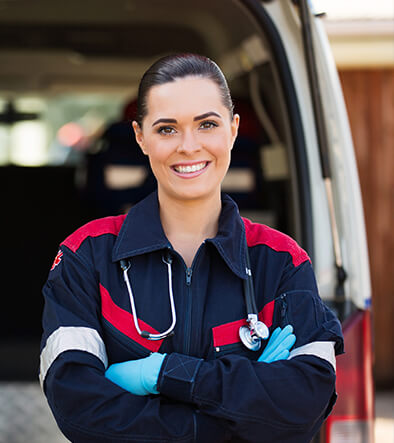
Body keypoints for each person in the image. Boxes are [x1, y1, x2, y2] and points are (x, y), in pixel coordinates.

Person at [40, 53, 344, 443]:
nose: (189, 146)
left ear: (232, 131)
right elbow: (79, 409)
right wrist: (246, 409)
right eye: (167, 129)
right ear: (140, 137)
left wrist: (164, 373)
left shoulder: (280, 260)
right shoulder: (87, 255)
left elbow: (303, 407)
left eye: (207, 125)